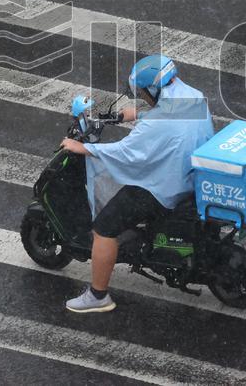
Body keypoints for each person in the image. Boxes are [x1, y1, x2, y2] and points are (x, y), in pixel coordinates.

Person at [59, 55, 213, 313]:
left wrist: (83, 148)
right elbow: (166, 114)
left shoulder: (154, 124)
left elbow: (124, 153)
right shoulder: (194, 96)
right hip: (190, 176)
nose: (142, 97)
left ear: (153, 88)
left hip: (164, 187)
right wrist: (124, 116)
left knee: (104, 228)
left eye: (142, 93)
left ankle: (98, 296)